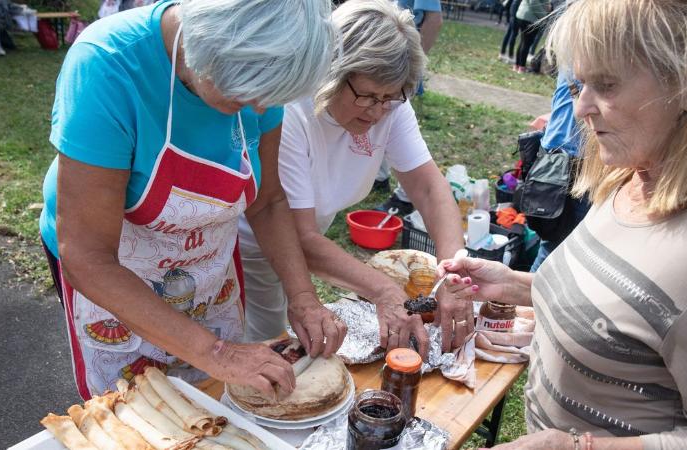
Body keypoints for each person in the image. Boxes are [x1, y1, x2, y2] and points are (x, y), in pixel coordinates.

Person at [442, 0, 687, 448]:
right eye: (579, 84)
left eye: (606, 85)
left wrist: (574, 447)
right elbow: (631, 308)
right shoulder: (635, 173)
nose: (580, 109)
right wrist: (517, 286)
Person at [39, 0, 345, 400]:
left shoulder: (261, 83)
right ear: (207, 48)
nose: (260, 109)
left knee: (212, 401)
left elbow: (267, 201)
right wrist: (216, 352)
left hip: (207, 264)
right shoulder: (106, 66)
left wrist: (304, 299)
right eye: (248, 92)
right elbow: (87, 256)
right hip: (115, 269)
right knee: (142, 412)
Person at [239, 0, 471, 358]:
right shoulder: (290, 109)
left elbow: (428, 187)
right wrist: (382, 290)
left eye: (390, 98)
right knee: (265, 346)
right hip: (249, 246)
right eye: (367, 96)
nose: (379, 111)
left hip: (305, 239)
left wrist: (453, 273)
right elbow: (300, 235)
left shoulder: (391, 102)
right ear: (331, 72)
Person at [372, 0, 443, 207]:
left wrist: (412, 64)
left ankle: (405, 196)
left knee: (392, 121)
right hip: (377, 68)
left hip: (394, 71)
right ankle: (379, 177)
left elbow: (434, 20)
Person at [527, 71, 589, 272]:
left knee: (551, 243)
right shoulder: (593, 52)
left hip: (552, 156)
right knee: (556, 246)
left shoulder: (570, 50)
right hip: (576, 162)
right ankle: (527, 298)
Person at [512, 0, 549, 73]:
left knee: (523, 42)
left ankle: (517, 65)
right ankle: (521, 67)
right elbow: (533, 2)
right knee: (526, 43)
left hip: (523, 15)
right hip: (530, 18)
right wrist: (544, 15)